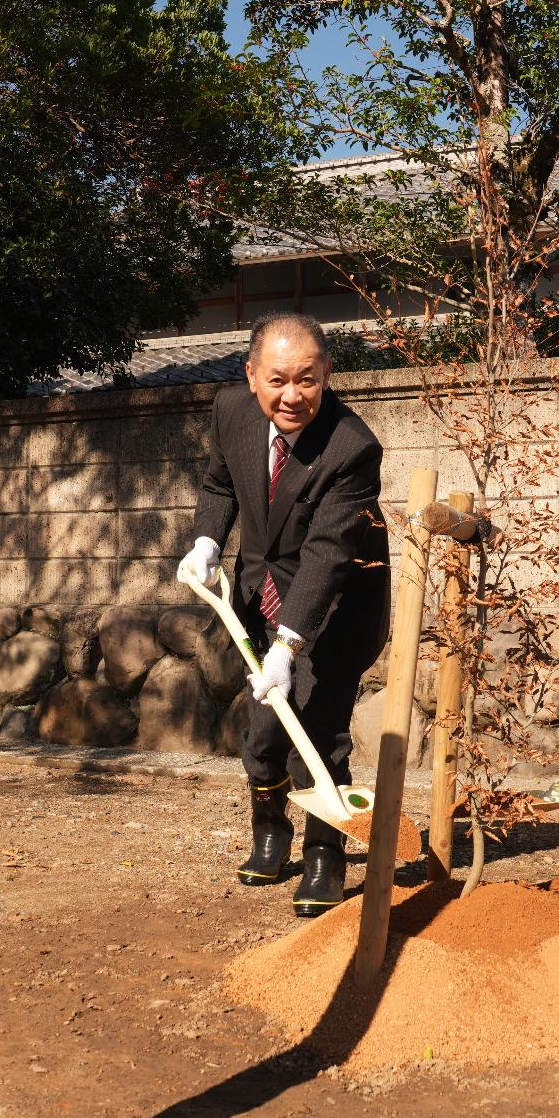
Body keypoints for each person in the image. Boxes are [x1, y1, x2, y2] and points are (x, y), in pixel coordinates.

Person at [178, 313, 390, 917]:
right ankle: (270, 832)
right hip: (258, 589)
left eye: (307, 380)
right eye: (277, 380)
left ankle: (325, 856)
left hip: (335, 602)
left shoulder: (352, 447)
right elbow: (220, 485)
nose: (291, 395)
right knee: (265, 725)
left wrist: (288, 646)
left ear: (326, 374)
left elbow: (327, 554)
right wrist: (208, 542)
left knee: (320, 728)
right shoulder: (232, 413)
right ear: (251, 377)